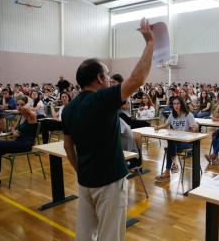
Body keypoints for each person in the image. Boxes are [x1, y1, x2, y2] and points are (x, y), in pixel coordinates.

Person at [61, 18, 154, 241]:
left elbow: (67, 146)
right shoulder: (102, 100)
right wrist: (149, 43)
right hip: (110, 182)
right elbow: (137, 79)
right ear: (99, 79)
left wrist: (80, 171)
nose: (111, 80)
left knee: (84, 234)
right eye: (108, 75)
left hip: (85, 181)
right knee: (110, 235)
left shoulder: (68, 109)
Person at [0, 96, 37, 189]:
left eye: (21, 105)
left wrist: (28, 104)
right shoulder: (20, 116)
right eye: (17, 105)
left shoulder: (31, 116)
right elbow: (13, 128)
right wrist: (14, 132)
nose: (19, 106)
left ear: (27, 105)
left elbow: (26, 110)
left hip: (26, 144)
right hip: (18, 142)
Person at [154, 96, 198, 183]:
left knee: (170, 147)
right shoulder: (172, 114)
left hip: (187, 142)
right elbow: (166, 124)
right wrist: (158, 127)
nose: (176, 105)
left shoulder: (188, 115)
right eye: (174, 104)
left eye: (178, 103)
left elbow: (194, 130)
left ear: (182, 104)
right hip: (176, 142)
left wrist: (196, 127)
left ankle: (167, 172)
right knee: (171, 143)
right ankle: (172, 167)